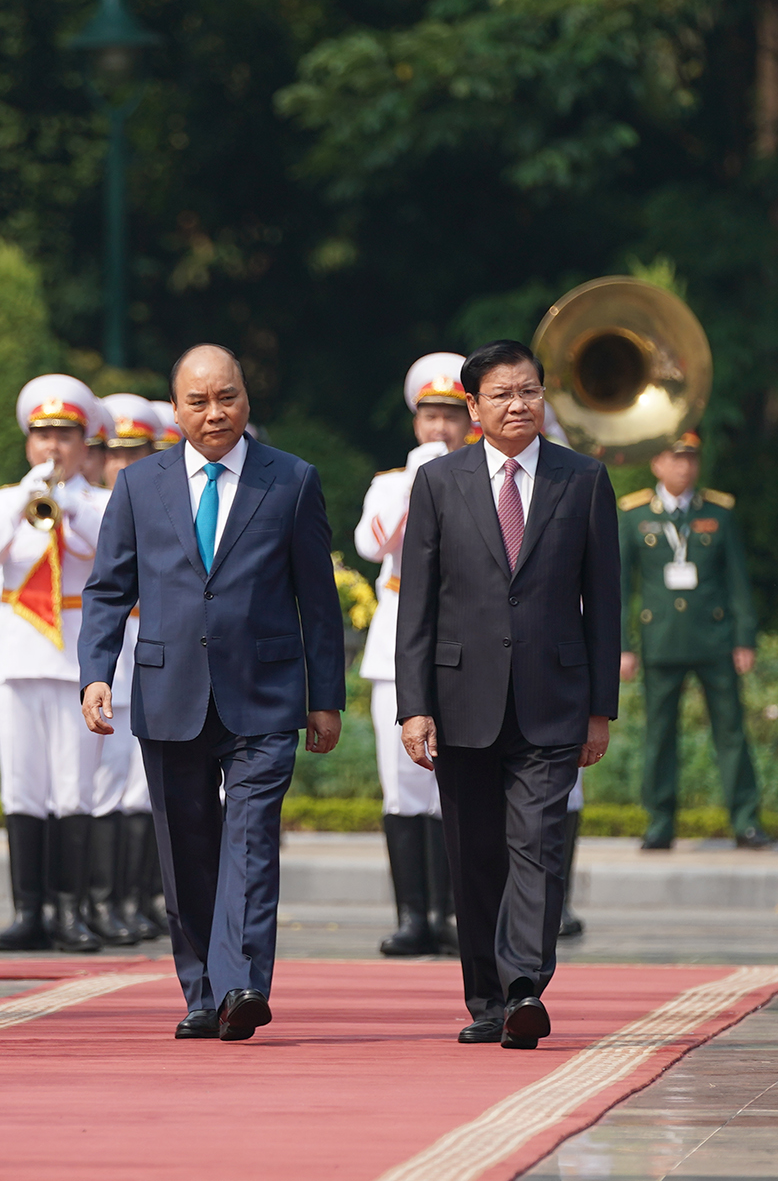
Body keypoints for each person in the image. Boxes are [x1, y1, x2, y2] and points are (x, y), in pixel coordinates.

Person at [80, 345, 345, 1042]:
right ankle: (202, 988)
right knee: (188, 849)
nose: (214, 412)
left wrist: (327, 695)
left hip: (265, 693)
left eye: (225, 396)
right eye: (197, 401)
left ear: (246, 399)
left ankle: (242, 983)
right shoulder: (140, 485)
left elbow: (318, 600)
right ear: (176, 410)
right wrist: (96, 672)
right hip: (170, 694)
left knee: (252, 840)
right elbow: (108, 588)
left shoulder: (290, 481)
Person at [394, 338, 620, 1049]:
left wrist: (599, 708)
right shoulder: (439, 482)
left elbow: (604, 602)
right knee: (474, 852)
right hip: (462, 699)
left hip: (553, 699)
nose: (519, 404)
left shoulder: (582, 479)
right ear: (473, 407)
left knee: (538, 843)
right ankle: (486, 997)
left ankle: (525, 984)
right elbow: (418, 604)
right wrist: (413, 702)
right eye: (502, 394)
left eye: (529, 390)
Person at [0, 374, 111, 954]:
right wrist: (22, 506)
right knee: (23, 785)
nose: (53, 446)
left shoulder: (101, 502)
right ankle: (28, 910)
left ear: (85, 444)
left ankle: (70, 911)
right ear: (29, 442)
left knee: (73, 784)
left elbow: (102, 554)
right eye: (43, 435)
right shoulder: (4, 500)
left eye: (65, 436)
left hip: (76, 652)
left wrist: (64, 508)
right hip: (20, 652)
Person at [355, 353, 473, 957]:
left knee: (457, 783)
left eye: (451, 416)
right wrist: (415, 481)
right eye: (430, 415)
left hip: (459, 643)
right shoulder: (389, 484)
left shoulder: (481, 481)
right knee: (402, 786)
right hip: (396, 642)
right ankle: (413, 915)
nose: (440, 429)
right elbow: (373, 543)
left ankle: (456, 914)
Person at [617, 432, 772, 851]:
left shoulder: (719, 512)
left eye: (691, 459)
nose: (684, 467)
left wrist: (744, 638)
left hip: (714, 638)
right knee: (659, 733)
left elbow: (738, 582)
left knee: (731, 731)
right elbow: (619, 588)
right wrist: (622, 645)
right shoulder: (633, 515)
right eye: (675, 458)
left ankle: (746, 819)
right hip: (661, 639)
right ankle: (660, 821)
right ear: (657, 465)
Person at [94, 393, 165, 943]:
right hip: (105, 640)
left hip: (155, 636)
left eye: (134, 451)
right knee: (103, 782)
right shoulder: (92, 502)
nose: (121, 462)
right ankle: (105, 900)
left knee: (138, 784)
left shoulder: (158, 494)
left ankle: (133, 897)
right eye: (112, 451)